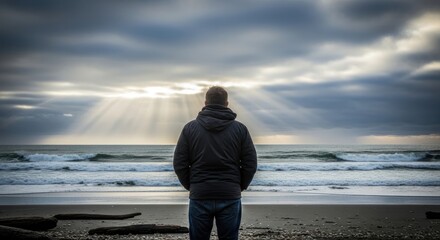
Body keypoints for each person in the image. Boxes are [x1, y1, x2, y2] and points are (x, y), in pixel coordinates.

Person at [173, 86, 257, 240]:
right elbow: (250, 164)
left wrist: (192, 185)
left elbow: (179, 164)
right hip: (229, 193)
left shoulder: (190, 128)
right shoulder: (240, 129)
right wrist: (239, 185)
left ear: (205, 102)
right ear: (226, 103)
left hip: (200, 193)